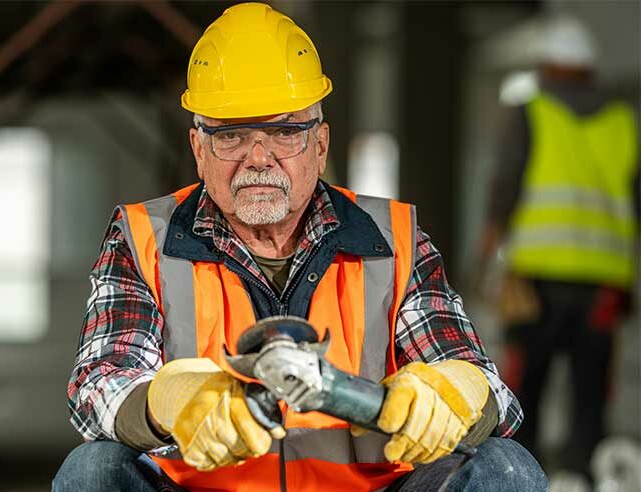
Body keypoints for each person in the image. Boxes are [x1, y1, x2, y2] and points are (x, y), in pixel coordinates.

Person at [54, 3, 545, 491]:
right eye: (231, 135)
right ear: (199, 149)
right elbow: (97, 386)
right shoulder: (144, 239)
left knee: (505, 467)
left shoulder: (392, 239)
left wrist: (454, 392)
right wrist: (165, 401)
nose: (259, 157)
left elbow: (490, 391)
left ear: (320, 144)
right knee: (93, 472)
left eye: (285, 131)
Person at [479, 15, 639, 488]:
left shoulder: (532, 111)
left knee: (527, 385)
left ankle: (519, 477)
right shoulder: (623, 122)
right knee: (592, 391)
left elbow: (504, 190)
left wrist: (484, 261)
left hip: (538, 277)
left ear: (549, 66)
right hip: (603, 281)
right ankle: (588, 476)